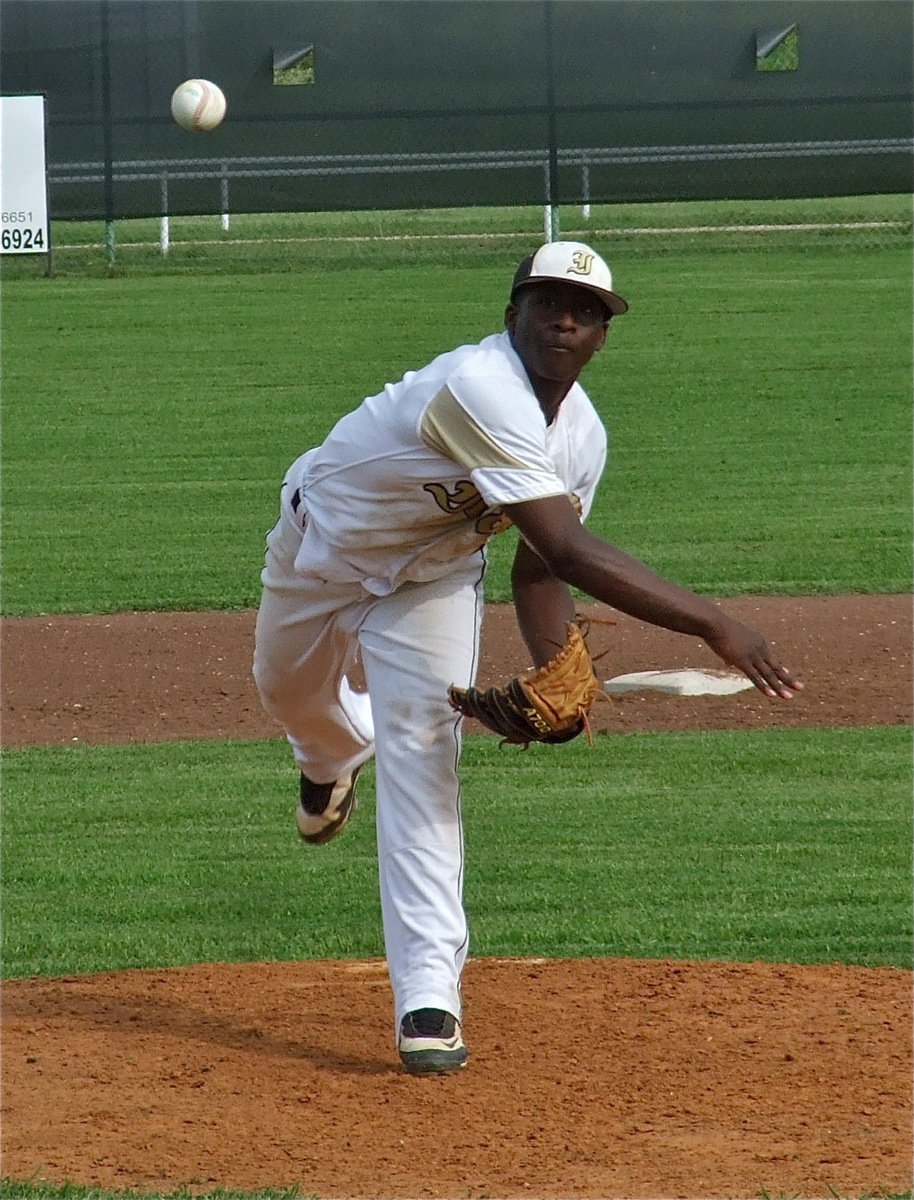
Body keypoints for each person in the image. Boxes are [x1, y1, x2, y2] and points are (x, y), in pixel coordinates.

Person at [253, 241, 802, 1076]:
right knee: (286, 692)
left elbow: (541, 571)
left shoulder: (582, 438)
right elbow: (570, 548)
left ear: (603, 337)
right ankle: (331, 755)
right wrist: (715, 625)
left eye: (587, 312)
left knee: (425, 757)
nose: (566, 321)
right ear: (513, 314)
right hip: (317, 551)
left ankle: (428, 999)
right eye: (548, 303)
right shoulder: (478, 385)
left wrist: (561, 674)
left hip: (430, 583)